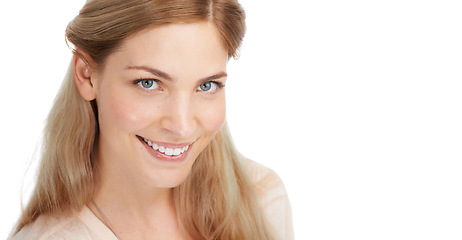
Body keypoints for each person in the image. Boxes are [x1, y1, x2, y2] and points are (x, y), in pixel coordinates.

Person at [10, 0, 293, 239]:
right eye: (148, 83)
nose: (182, 126)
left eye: (206, 86)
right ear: (87, 75)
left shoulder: (262, 197)